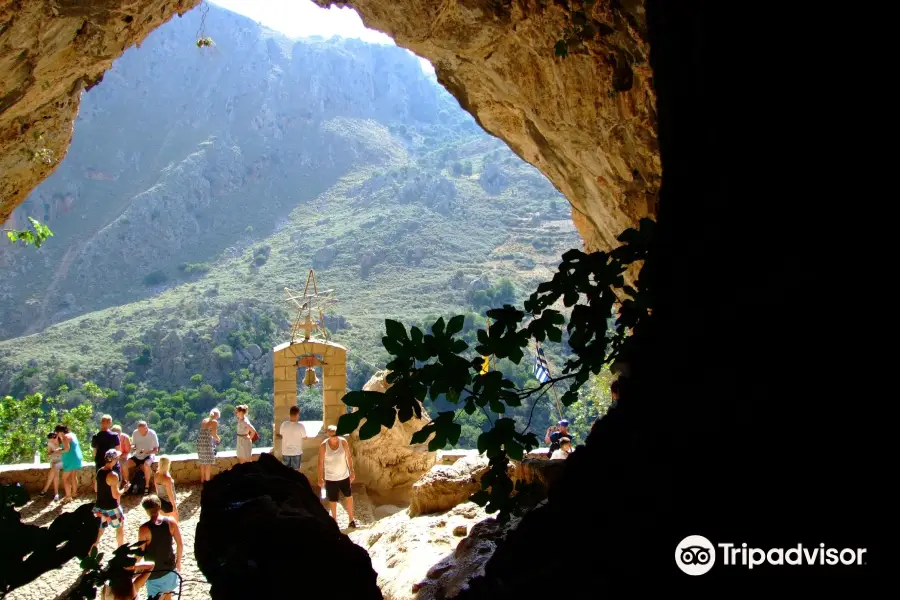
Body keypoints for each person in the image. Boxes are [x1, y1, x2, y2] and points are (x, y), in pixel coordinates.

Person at [138, 494, 183, 600]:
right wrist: (178, 562)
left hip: (154, 573)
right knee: (168, 595)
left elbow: (140, 552)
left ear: (146, 510)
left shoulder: (144, 529)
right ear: (159, 506)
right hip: (170, 569)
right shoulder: (171, 522)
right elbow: (180, 544)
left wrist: (131, 567)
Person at [318, 425, 356, 528]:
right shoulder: (323, 446)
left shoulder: (343, 442)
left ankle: (351, 520)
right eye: (332, 435)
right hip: (331, 478)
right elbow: (320, 463)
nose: (335, 437)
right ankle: (334, 522)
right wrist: (320, 478)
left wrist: (352, 471)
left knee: (349, 497)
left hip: (344, 476)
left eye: (336, 435)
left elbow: (348, 457)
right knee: (333, 500)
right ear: (328, 435)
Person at [93, 449, 126, 549]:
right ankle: (120, 550)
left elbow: (95, 488)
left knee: (100, 529)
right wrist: (124, 489)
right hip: (112, 507)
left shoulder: (100, 471)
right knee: (120, 528)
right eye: (117, 458)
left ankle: (93, 548)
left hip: (99, 506)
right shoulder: (113, 475)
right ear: (114, 460)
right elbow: (116, 495)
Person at [92, 415, 121, 493]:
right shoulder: (114, 435)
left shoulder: (95, 436)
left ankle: (99, 497)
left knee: (99, 480)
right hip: (112, 461)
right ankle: (115, 497)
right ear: (110, 423)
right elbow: (118, 450)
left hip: (100, 461)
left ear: (101, 423)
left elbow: (94, 452)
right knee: (115, 480)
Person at [129, 421, 159, 495]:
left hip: (149, 455)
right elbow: (134, 444)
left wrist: (147, 452)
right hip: (138, 454)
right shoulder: (135, 433)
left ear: (146, 428)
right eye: (139, 430)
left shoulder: (152, 434)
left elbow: (156, 450)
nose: (140, 432)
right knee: (124, 466)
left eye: (142, 430)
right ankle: (127, 485)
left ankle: (147, 486)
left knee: (146, 465)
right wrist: (132, 447)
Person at [57, 424, 83, 502]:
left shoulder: (65, 437)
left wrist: (59, 451)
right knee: (73, 476)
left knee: (65, 478)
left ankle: (68, 496)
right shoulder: (73, 434)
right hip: (77, 458)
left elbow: (67, 449)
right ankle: (74, 493)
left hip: (70, 459)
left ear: (60, 432)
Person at [279, 405, 308, 471]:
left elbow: (281, 434)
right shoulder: (301, 426)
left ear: (290, 414)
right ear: (297, 414)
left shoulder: (284, 424)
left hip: (286, 452)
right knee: (295, 473)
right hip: (296, 452)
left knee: (285, 472)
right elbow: (305, 437)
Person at [197, 408, 220, 482]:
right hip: (207, 442)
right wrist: (218, 439)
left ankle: (202, 480)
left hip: (200, 442)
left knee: (203, 463)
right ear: (217, 416)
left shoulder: (204, 420)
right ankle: (207, 482)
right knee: (208, 464)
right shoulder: (214, 422)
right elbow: (213, 434)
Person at [39, 431, 63, 500]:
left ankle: (45, 489)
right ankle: (56, 494)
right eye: (50, 441)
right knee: (55, 471)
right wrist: (53, 452)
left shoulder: (62, 442)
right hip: (54, 460)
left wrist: (60, 451)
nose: (52, 442)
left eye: (53, 440)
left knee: (55, 468)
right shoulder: (50, 443)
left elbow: (67, 451)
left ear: (56, 437)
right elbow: (49, 453)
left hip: (63, 461)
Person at [154, 456, 179, 522]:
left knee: (162, 519)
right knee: (175, 517)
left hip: (160, 500)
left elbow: (156, 489)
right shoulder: (167, 478)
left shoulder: (156, 474)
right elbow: (170, 494)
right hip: (168, 502)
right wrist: (174, 506)